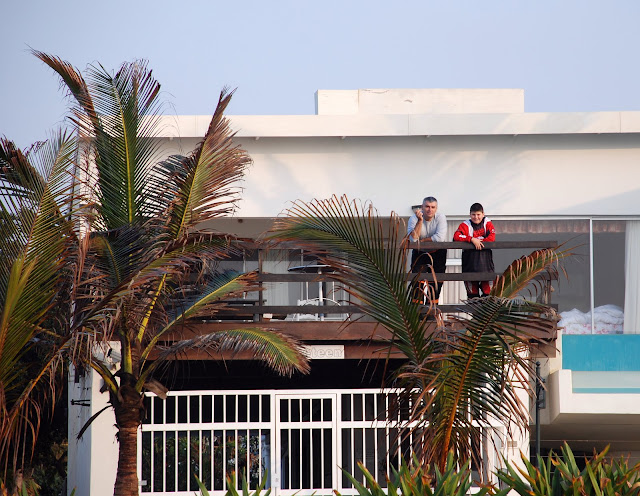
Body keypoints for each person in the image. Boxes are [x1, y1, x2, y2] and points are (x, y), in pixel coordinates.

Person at [407, 196, 448, 304]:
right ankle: (417, 310)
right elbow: (414, 239)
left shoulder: (441, 217)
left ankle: (432, 309)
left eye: (433, 207)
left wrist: (423, 240)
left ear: (436, 208)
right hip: (419, 252)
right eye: (427, 207)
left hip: (438, 252)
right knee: (417, 283)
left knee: (436, 283)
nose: (430, 210)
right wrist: (420, 221)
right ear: (422, 207)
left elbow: (440, 238)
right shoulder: (414, 218)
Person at [453, 202, 496, 298]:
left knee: (489, 296)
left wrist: (478, 242)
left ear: (483, 214)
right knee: (472, 297)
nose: (476, 217)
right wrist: (471, 239)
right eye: (473, 214)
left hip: (486, 266)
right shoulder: (465, 224)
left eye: (478, 214)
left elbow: (492, 238)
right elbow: (456, 236)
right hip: (469, 265)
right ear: (470, 214)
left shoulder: (487, 223)